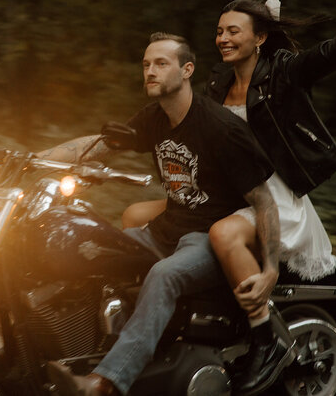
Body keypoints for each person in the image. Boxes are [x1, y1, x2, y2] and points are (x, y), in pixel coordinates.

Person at [120, 0, 336, 393]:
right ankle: (158, 315)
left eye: (234, 31)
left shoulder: (284, 73)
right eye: (219, 31)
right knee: (135, 214)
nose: (223, 38)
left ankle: (265, 337)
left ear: (259, 38)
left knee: (225, 234)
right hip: (227, 191)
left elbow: (335, 50)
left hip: (272, 194)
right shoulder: (216, 84)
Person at [39, 33, 290, 396]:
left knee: (162, 275)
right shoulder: (155, 117)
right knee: (95, 250)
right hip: (166, 229)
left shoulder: (220, 128)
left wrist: (270, 270)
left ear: (187, 70)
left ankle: (104, 383)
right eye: (146, 64)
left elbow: (264, 201)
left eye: (160, 63)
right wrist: (33, 159)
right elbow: (100, 145)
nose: (150, 71)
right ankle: (80, 352)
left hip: (208, 238)